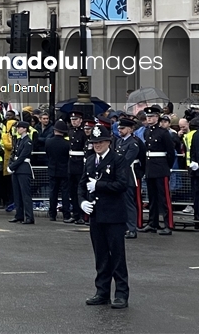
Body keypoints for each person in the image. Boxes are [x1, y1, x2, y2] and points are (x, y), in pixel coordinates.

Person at [79, 124, 130, 309]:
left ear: (108, 141)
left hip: (114, 215)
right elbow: (82, 184)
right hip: (96, 215)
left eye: (100, 142)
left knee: (117, 256)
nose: (97, 145)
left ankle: (122, 294)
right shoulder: (91, 160)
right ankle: (102, 292)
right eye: (94, 142)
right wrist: (82, 201)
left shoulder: (118, 159)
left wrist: (99, 186)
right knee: (100, 256)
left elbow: (122, 184)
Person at [142, 106, 175, 235]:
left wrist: (168, 167)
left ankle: (168, 224)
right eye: (148, 117)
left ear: (157, 117)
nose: (149, 119)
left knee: (164, 198)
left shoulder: (163, 133)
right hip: (150, 167)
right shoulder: (147, 131)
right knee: (152, 198)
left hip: (161, 168)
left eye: (152, 117)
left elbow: (170, 153)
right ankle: (153, 222)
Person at [114, 117, 142, 238]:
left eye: (123, 128)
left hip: (128, 175)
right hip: (119, 175)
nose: (120, 130)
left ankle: (132, 228)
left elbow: (126, 160)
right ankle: (124, 226)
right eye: (119, 128)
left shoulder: (133, 143)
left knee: (129, 203)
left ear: (130, 129)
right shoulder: (119, 142)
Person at [8, 120, 35, 224]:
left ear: (24, 129)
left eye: (19, 128)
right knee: (17, 194)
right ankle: (19, 215)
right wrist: (11, 165)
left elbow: (22, 156)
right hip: (16, 169)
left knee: (25, 194)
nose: (17, 129)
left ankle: (29, 217)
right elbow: (14, 154)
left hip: (23, 168)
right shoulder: (19, 140)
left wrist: (12, 166)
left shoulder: (27, 141)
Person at [45, 119, 71, 222]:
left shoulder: (48, 142)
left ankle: (52, 214)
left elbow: (48, 155)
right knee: (65, 193)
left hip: (52, 169)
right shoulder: (67, 144)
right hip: (64, 170)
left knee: (53, 192)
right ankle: (66, 214)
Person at [67, 111, 88, 224]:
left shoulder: (83, 132)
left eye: (76, 120)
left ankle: (81, 215)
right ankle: (75, 214)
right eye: (72, 120)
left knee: (80, 190)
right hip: (71, 163)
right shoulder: (70, 131)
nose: (74, 122)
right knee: (72, 191)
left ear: (80, 120)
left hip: (80, 163)